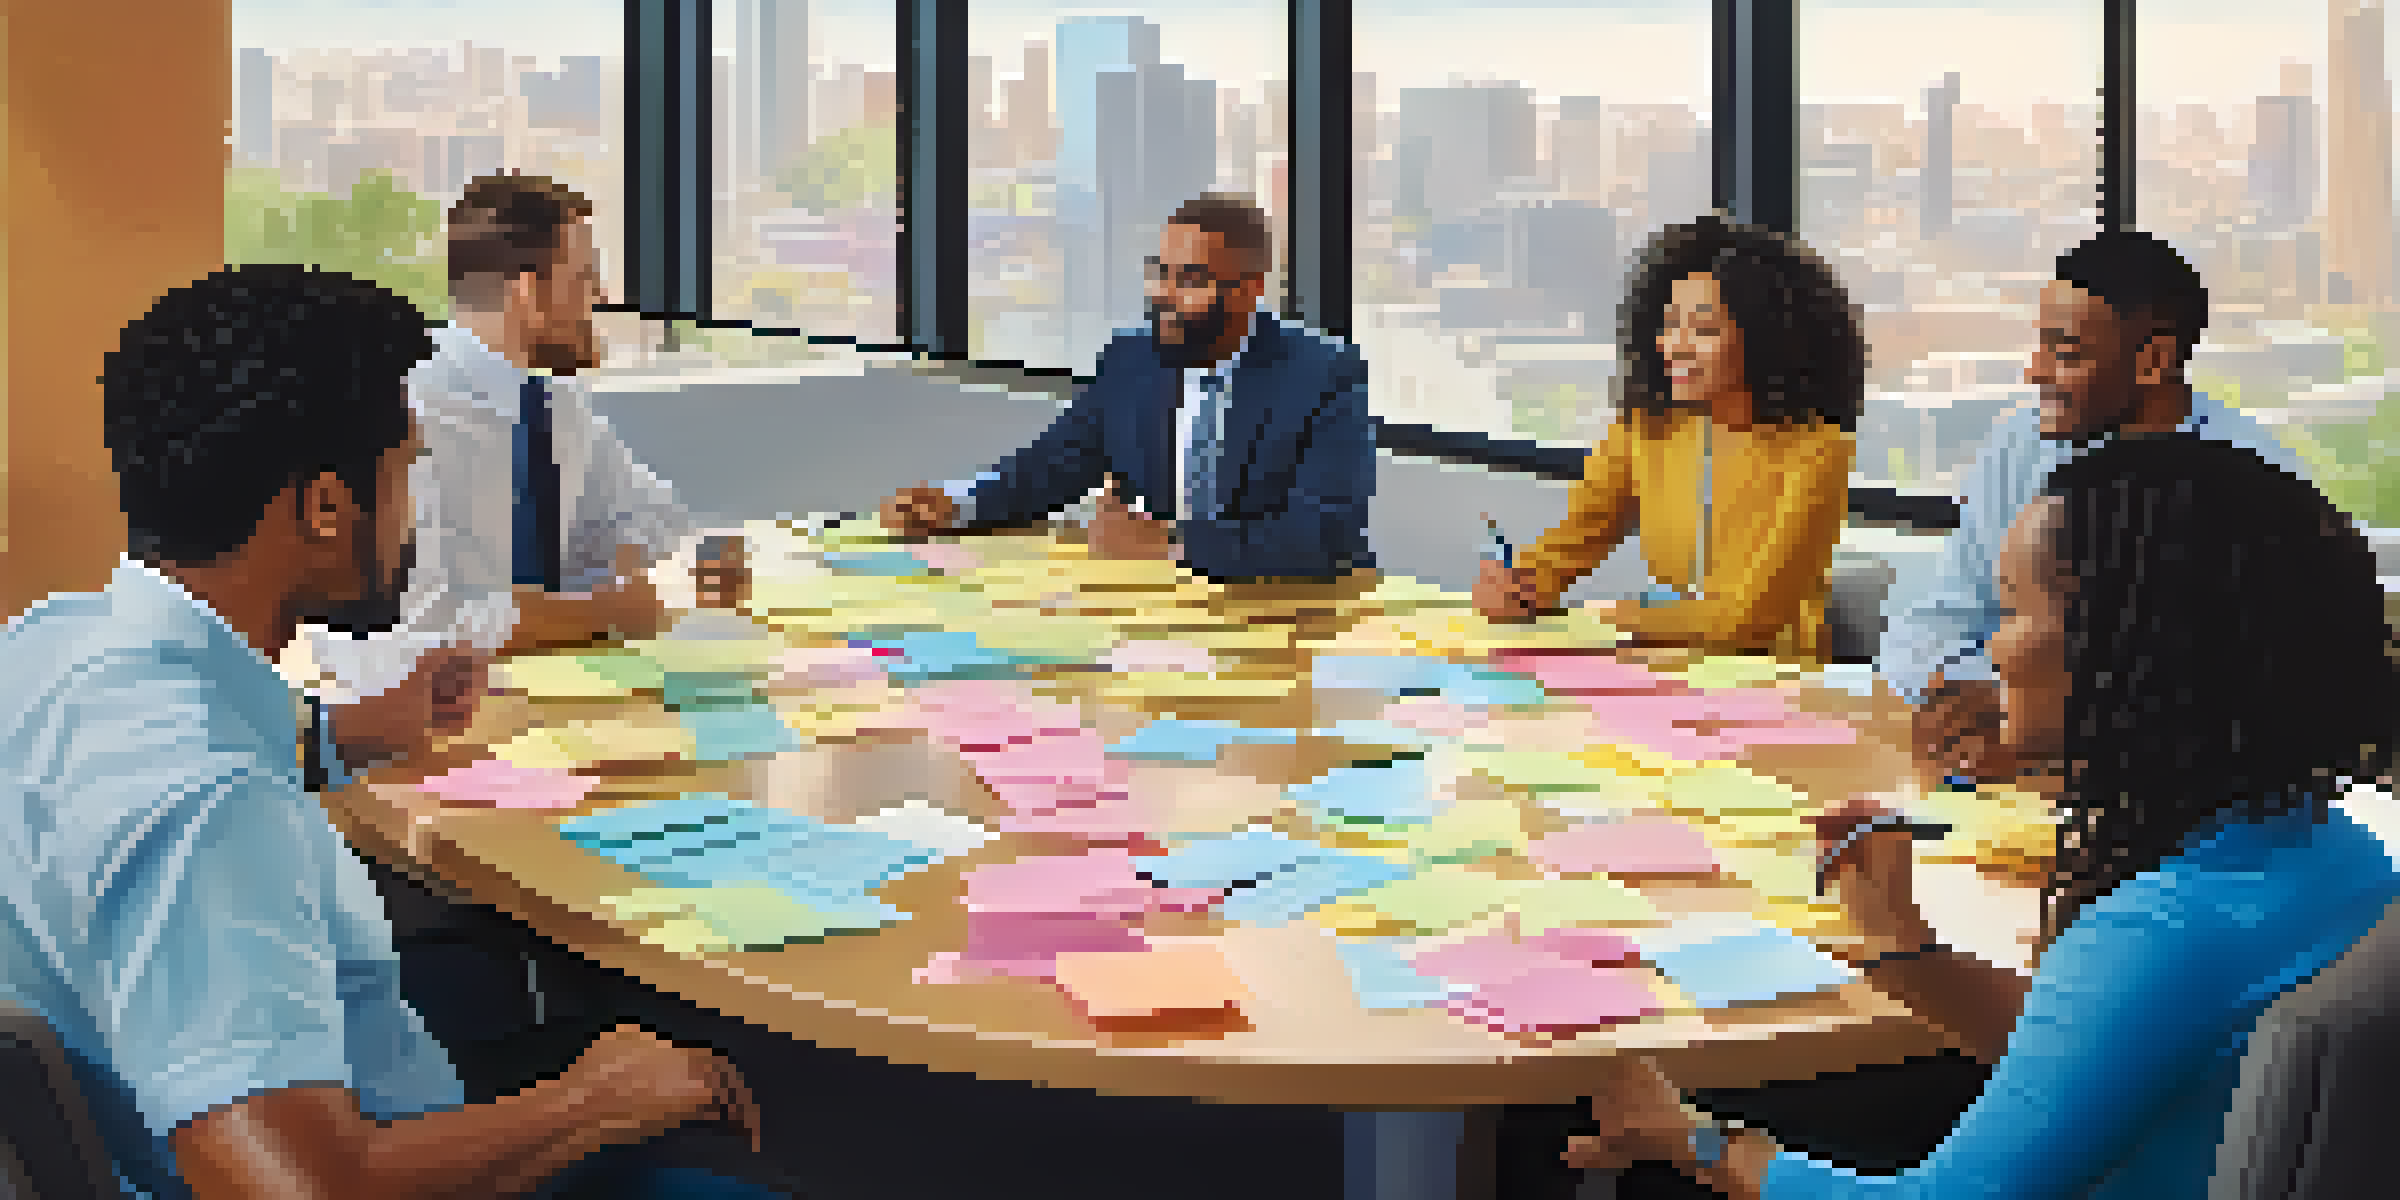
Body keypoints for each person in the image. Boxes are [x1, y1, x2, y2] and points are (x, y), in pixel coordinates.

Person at [0, 265, 779, 1199]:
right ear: (325, 507)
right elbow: (298, 1188)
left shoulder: (54, 644)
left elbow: (143, 784)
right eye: (404, 469)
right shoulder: (213, 810)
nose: (411, 510)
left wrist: (353, 734)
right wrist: (597, 1099)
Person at [1564, 433, 2400, 1199]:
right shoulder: (2341, 857)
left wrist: (1699, 1144)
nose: (1993, 648)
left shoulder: (2160, 932)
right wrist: (1903, 940)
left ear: (2121, 651)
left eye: (2015, 610)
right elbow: (2104, 1050)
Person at [1877, 230, 2311, 783]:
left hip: (2179, 788)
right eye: (2040, 345)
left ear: (2153, 360)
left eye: (2066, 352)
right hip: (2012, 774)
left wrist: (2030, 711)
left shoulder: (2255, 482)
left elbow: (2253, 689)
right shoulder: (2023, 442)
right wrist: (1976, 692)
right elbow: (1942, 616)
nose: (2034, 371)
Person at [303, 170, 697, 717]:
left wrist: (617, 568)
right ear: (527, 293)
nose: (600, 298)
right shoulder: (402, 416)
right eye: (583, 279)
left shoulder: (553, 404)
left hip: (545, 697)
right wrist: (606, 611)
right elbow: (429, 630)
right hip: (407, 715)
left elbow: (654, 515)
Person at [877, 191, 1375, 581]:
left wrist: (1170, 547)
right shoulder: (1131, 359)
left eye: (1191, 280)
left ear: (1250, 288)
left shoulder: (1322, 375)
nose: (1163, 295)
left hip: (1294, 613)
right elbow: (1049, 467)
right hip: (1163, 610)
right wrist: (956, 503)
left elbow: (1325, 534)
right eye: (1159, 274)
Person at [1472, 214, 1862, 661]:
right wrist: (1521, 583)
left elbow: (1751, 620)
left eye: (1704, 330)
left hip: (1775, 679)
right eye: (1669, 325)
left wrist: (1614, 617)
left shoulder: (1818, 450)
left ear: (1765, 339)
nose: (1673, 345)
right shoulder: (1646, 428)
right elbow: (1575, 539)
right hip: (1662, 664)